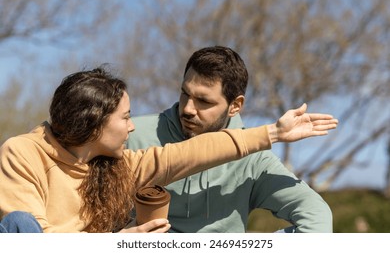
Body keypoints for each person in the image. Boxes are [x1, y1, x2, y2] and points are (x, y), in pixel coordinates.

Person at [0, 66, 337, 233]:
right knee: (19, 225)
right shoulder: (23, 152)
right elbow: (40, 243)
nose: (132, 127)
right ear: (95, 123)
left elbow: (188, 154)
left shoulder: (116, 165)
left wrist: (273, 133)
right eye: (126, 117)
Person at [128, 46, 335, 233]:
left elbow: (316, 215)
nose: (188, 109)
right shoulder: (133, 137)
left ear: (235, 105)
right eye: (185, 94)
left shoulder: (253, 160)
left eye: (203, 101)